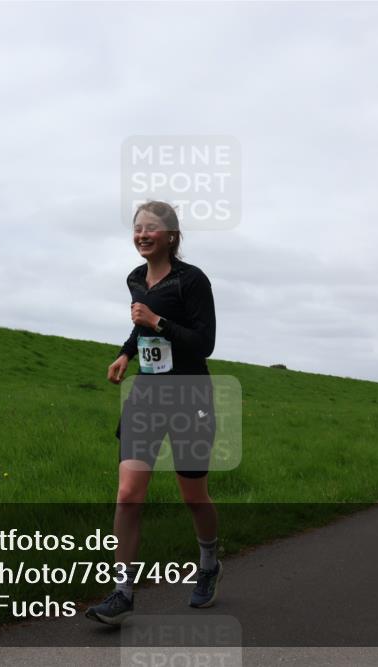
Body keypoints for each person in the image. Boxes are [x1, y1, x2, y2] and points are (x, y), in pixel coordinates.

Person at [85, 201, 221, 625]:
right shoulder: (135, 278)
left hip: (190, 395)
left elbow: (205, 343)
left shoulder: (192, 280)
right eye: (137, 228)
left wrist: (158, 321)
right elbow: (139, 322)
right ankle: (122, 591)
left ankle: (209, 562)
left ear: (171, 236)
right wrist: (126, 353)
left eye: (151, 229)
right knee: (128, 494)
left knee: (192, 496)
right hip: (147, 394)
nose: (142, 234)